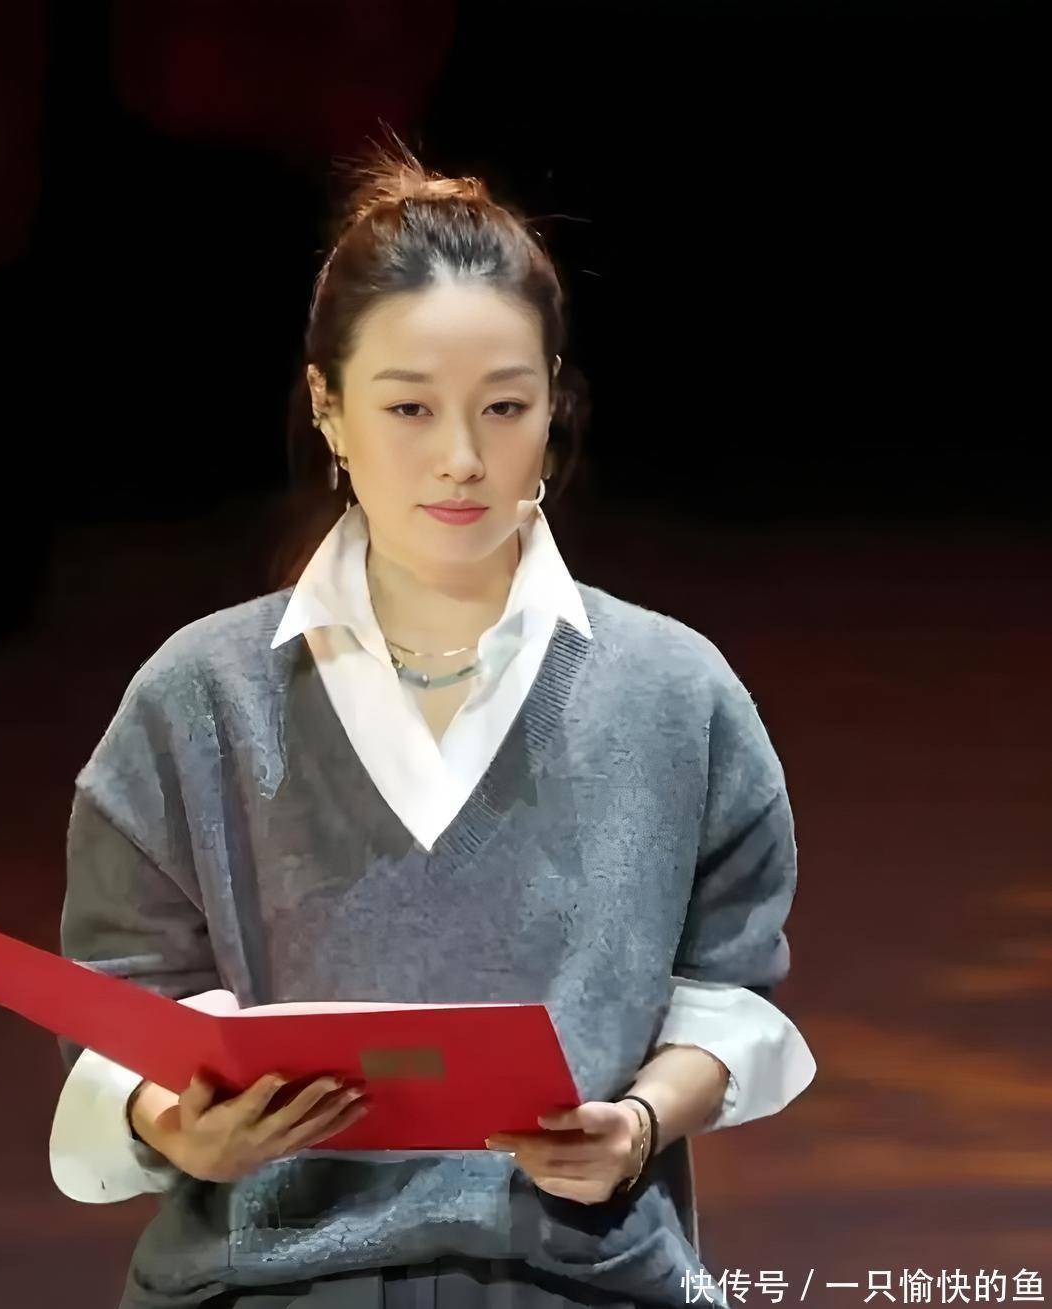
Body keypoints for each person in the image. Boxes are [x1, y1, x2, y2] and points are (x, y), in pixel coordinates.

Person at [49, 140, 816, 1309]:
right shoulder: (201, 695)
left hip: (582, 1276)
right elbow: (125, 991)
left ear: (554, 404)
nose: (461, 459)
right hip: (268, 1281)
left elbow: (731, 987)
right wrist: (172, 1120)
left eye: (504, 406)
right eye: (409, 407)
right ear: (329, 407)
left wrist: (639, 1123)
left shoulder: (672, 692)